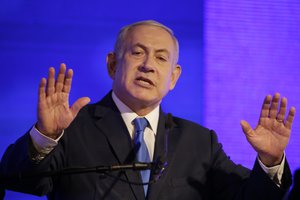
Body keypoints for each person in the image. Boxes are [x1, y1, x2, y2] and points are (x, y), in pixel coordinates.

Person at [0, 20, 296, 200]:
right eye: (137, 52)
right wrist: (44, 136)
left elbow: (249, 198)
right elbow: (18, 181)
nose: (148, 65)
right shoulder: (72, 128)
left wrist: (270, 160)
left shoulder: (199, 142)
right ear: (113, 65)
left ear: (174, 77)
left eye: (161, 58)